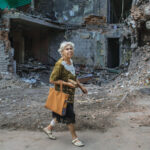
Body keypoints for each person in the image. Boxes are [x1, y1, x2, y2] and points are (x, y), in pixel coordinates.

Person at [43, 41, 88, 147]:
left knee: (60, 113)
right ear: (62, 51)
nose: (69, 50)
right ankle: (75, 138)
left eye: (71, 48)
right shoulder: (59, 64)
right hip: (63, 95)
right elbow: (52, 80)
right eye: (67, 49)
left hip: (70, 94)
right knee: (70, 115)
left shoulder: (70, 62)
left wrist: (81, 87)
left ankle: (48, 128)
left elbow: (73, 77)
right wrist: (67, 83)